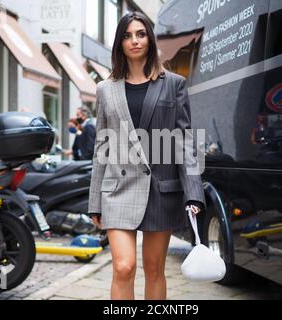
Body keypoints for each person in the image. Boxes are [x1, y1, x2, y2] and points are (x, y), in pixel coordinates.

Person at [88, 11, 206, 300]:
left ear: (150, 39)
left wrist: (193, 193)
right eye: (127, 35)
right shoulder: (105, 89)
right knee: (124, 267)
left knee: (154, 270)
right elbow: (101, 148)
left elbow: (183, 142)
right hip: (118, 190)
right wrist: (94, 202)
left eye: (140, 34)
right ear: (119, 43)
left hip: (160, 189)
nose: (134, 40)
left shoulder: (173, 83)